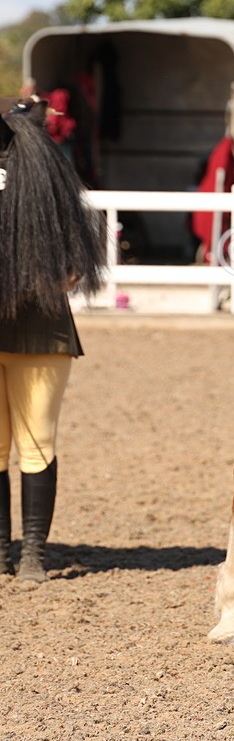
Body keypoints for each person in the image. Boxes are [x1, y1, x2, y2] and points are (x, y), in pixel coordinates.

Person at [0, 97, 106, 582]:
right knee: (31, 444)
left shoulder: (42, 178)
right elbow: (74, 269)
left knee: (30, 444)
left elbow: (71, 267)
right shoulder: (48, 175)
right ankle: (24, 556)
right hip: (44, 330)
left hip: (41, 332)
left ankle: (26, 552)